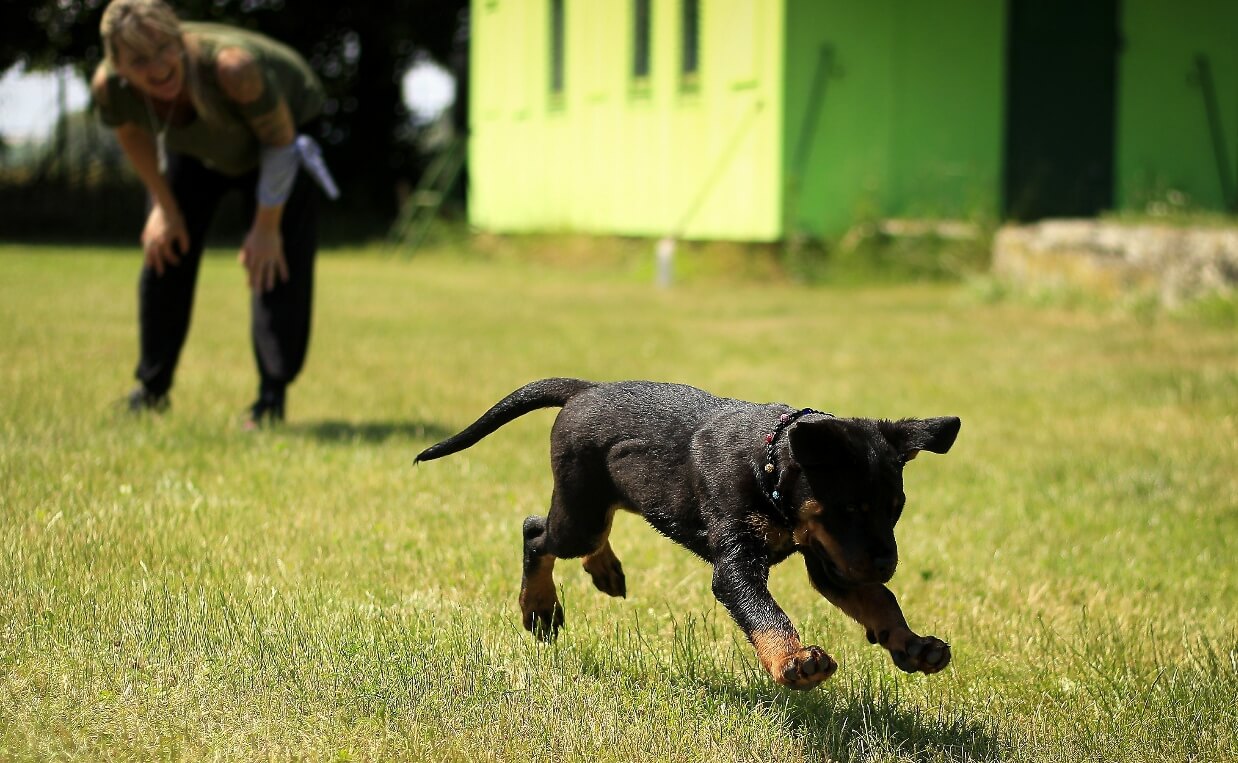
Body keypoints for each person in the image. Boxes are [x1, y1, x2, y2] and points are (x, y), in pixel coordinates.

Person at [92, 0, 332, 427]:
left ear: (180, 38)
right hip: (196, 148)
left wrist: (265, 227)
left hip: (281, 138)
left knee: (273, 264)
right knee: (164, 250)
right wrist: (163, 207)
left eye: (165, 48)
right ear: (119, 65)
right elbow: (130, 132)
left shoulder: (233, 68)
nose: (158, 66)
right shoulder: (111, 88)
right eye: (139, 60)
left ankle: (270, 399)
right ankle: (151, 389)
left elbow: (279, 141)